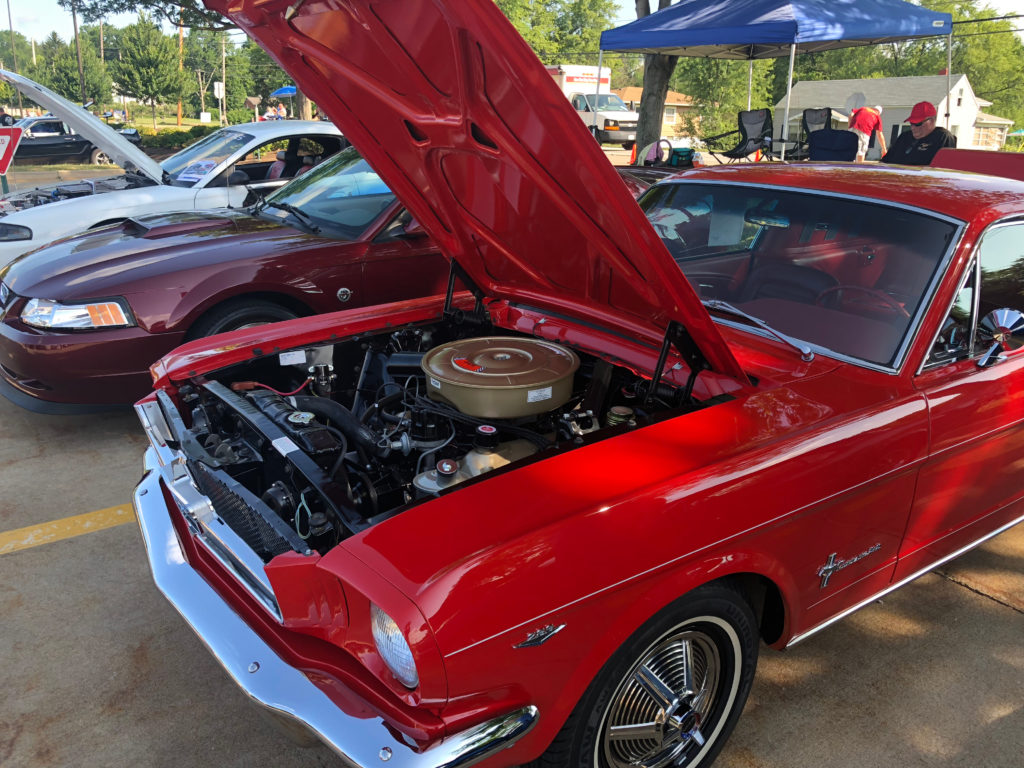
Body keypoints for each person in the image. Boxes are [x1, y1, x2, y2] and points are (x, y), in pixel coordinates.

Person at [881, 101, 957, 165]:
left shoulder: (942, 137)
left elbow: (943, 168)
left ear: (931, 121)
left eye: (918, 123)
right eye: (911, 123)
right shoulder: (904, 137)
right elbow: (885, 162)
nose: (913, 127)